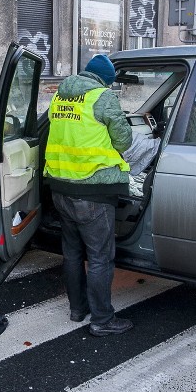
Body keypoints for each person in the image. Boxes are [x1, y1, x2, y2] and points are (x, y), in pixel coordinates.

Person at [43, 54, 134, 336]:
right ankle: (102, 320)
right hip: (93, 191)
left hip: (61, 187)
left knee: (71, 254)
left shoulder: (60, 96)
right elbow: (125, 140)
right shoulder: (103, 97)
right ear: (105, 80)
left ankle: (78, 309)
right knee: (100, 258)